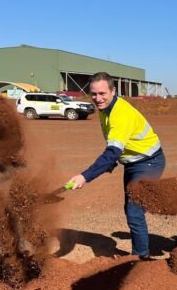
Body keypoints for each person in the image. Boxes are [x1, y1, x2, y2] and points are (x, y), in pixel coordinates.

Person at [66, 72, 165, 260]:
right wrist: (112, 162)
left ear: (113, 90)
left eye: (102, 93)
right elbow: (114, 149)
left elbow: (112, 152)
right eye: (94, 94)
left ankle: (140, 259)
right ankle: (140, 255)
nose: (98, 98)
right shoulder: (106, 110)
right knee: (132, 208)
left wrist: (84, 176)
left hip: (149, 162)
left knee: (134, 210)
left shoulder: (120, 114)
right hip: (132, 163)